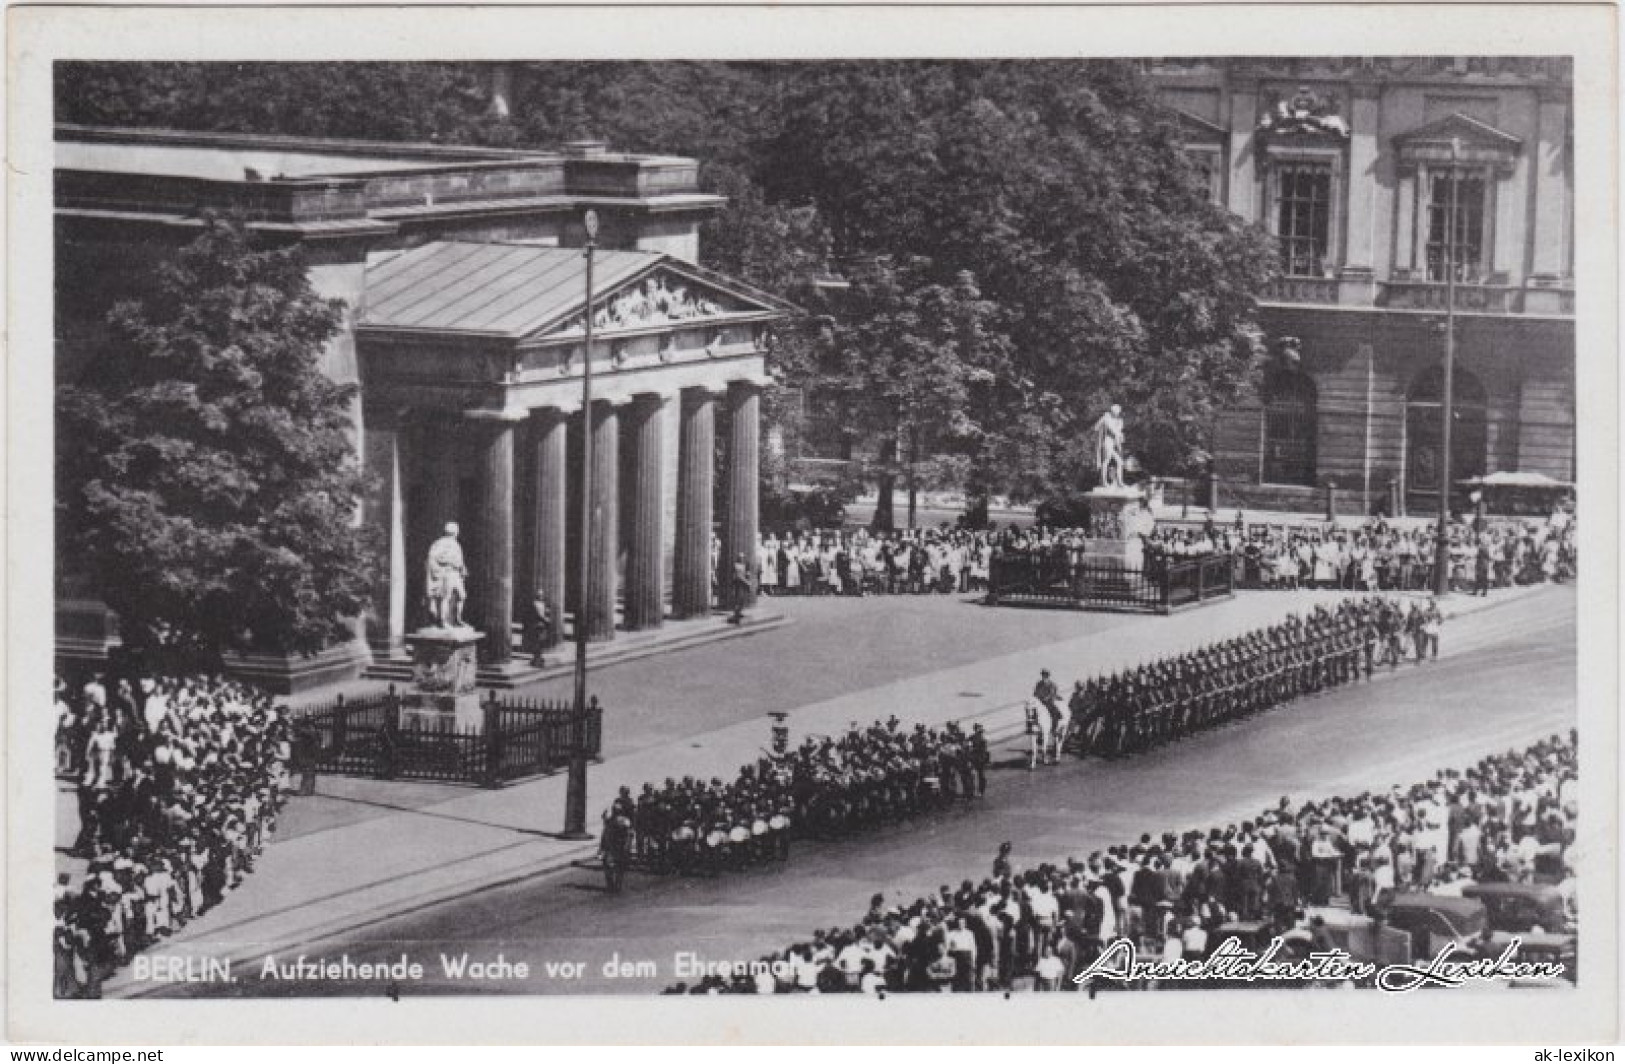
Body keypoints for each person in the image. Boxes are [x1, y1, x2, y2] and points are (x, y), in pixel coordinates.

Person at [425, 522, 468, 629]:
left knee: (462, 596)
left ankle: (457, 619)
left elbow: (460, 559)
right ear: (453, 532)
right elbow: (434, 557)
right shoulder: (440, 543)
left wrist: (462, 567)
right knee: (446, 597)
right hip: (447, 572)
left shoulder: (456, 544)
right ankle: (443, 621)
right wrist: (448, 562)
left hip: (456, 573)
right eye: (456, 531)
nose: (457, 533)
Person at [526, 589, 551, 667]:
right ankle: (537, 659)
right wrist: (545, 620)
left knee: (541, 642)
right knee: (537, 643)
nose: (541, 596)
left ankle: (538, 659)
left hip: (542, 626)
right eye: (539, 595)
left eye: (541, 595)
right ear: (536, 595)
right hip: (536, 625)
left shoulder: (543, 604)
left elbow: (546, 612)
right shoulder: (534, 604)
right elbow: (537, 615)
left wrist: (547, 616)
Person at [728, 553, 752, 625]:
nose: (741, 559)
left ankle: (739, 612)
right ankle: (736, 613)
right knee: (738, 598)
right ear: (738, 558)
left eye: (742, 557)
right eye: (740, 557)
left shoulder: (744, 565)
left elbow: (747, 574)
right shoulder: (736, 565)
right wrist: (747, 582)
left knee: (742, 599)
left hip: (743, 584)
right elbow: (738, 576)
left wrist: (748, 578)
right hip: (738, 584)